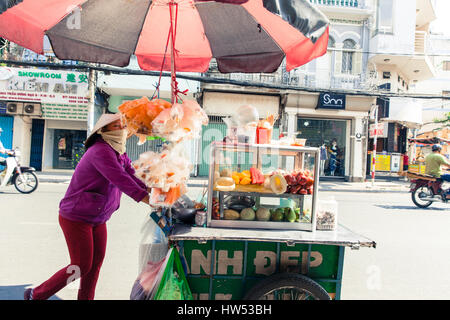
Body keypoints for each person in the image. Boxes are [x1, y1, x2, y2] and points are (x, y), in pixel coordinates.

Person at [24, 113, 150, 300]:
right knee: (81, 265)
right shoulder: (100, 151)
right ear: (103, 130)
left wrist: (152, 190)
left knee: (95, 263)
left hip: (98, 217)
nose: (122, 129)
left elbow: (131, 173)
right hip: (76, 216)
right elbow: (120, 179)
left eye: (123, 125)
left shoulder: (118, 151)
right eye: (117, 126)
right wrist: (148, 199)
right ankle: (37, 294)